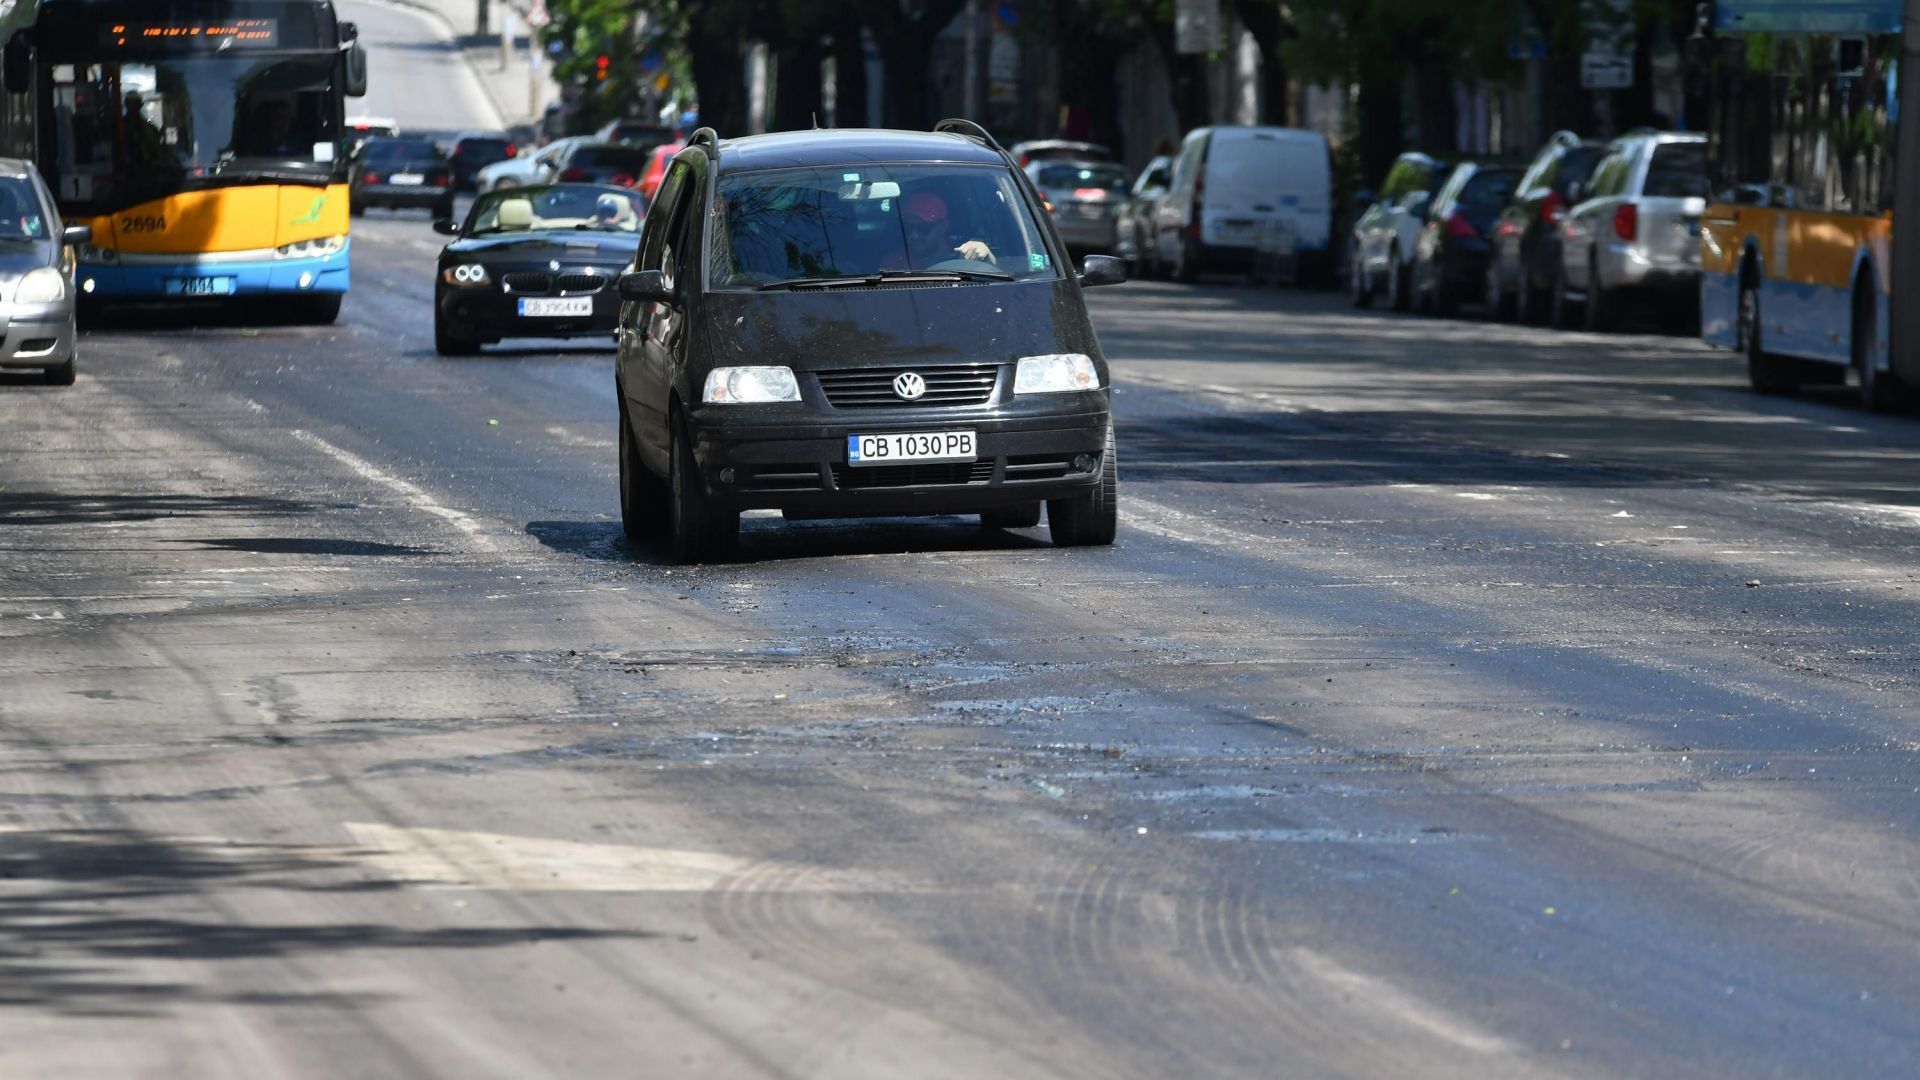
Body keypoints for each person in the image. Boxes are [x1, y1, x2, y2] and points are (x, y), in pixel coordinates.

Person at [881, 189, 995, 270]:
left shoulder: (965, 253)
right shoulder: (894, 262)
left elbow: (1000, 281)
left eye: (923, 228)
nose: (914, 235)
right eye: (908, 228)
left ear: (943, 226)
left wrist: (987, 257)